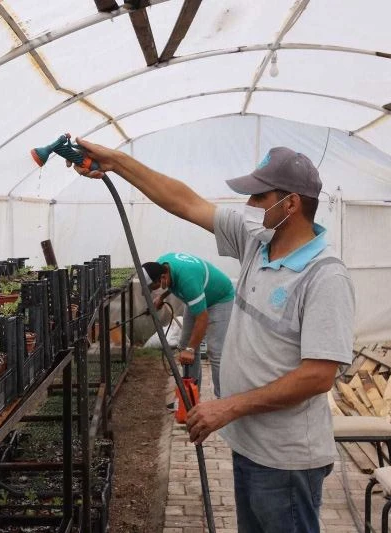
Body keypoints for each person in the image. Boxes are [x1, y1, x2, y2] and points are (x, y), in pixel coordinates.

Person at [69, 141, 355, 533]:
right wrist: (117, 162)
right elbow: (183, 202)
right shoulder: (257, 244)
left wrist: (228, 407)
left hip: (285, 462)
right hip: (249, 446)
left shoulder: (325, 276)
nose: (249, 204)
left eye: (258, 196)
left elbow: (318, 376)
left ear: (290, 204)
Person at [142, 253, 234, 398]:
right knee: (185, 346)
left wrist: (190, 350)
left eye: (154, 287)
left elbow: (202, 318)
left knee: (215, 352)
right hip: (198, 295)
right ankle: (192, 397)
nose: (154, 290)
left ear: (163, 277)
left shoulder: (188, 281)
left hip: (220, 298)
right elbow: (173, 282)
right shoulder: (160, 265)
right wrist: (162, 296)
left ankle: (223, 399)